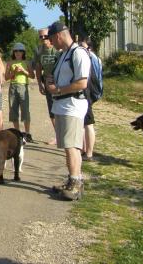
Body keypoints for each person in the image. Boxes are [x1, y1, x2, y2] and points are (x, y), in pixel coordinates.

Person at [45, 22, 91, 200]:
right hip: (63, 105)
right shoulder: (64, 54)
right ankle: (74, 179)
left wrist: (58, 89)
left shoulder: (78, 53)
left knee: (72, 146)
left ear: (58, 36)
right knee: (69, 146)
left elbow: (82, 83)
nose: (51, 43)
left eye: (51, 39)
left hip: (72, 105)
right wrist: (51, 80)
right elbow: (61, 77)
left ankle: (74, 182)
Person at [34, 28, 60, 145]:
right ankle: (58, 135)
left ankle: (64, 134)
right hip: (47, 82)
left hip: (59, 83)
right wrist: (40, 83)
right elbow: (38, 68)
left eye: (45, 36)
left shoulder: (57, 49)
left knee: (61, 109)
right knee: (52, 111)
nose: (43, 39)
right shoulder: (39, 51)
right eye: (41, 37)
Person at [5, 43, 35, 142]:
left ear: (23, 52)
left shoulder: (27, 62)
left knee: (25, 110)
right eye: (16, 51)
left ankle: (27, 133)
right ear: (13, 52)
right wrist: (13, 72)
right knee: (13, 110)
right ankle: (18, 133)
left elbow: (32, 75)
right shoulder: (10, 63)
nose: (18, 53)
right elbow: (6, 77)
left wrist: (23, 71)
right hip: (13, 86)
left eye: (20, 51)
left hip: (23, 86)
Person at [79, 38, 100, 161]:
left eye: (83, 47)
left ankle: (89, 153)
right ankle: (83, 149)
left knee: (88, 124)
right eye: (79, 47)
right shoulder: (89, 58)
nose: (81, 50)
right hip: (86, 93)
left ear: (89, 48)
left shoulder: (91, 60)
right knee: (82, 123)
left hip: (87, 94)